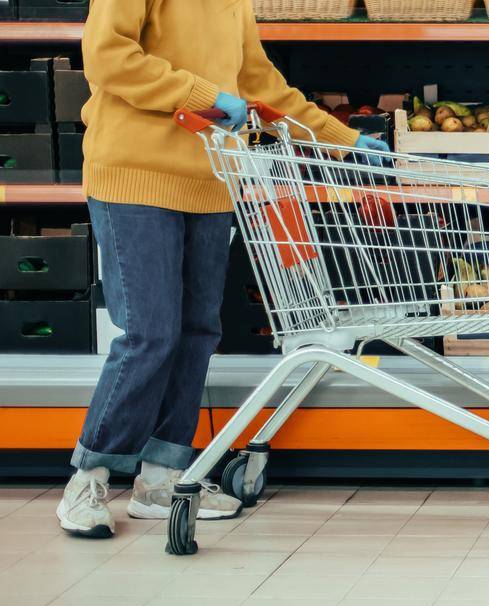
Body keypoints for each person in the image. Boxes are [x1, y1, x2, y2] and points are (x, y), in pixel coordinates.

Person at [56, 0, 389, 538]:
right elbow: (109, 57)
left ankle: (161, 478)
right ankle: (89, 475)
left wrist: (342, 140)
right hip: (133, 177)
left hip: (209, 182)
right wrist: (206, 96)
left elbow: (263, 85)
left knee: (196, 333)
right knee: (150, 332)